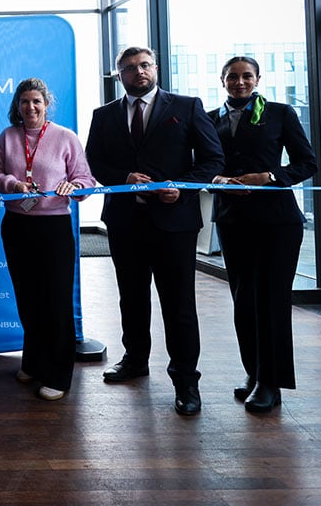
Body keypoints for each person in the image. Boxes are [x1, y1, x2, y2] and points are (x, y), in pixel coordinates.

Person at [85, 46, 224, 416]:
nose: (139, 72)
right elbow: (94, 161)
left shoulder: (187, 107)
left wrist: (182, 187)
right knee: (131, 298)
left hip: (174, 223)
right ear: (120, 75)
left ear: (156, 68)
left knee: (179, 304)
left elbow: (213, 159)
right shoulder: (104, 115)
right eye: (130, 67)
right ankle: (134, 360)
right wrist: (124, 177)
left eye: (144, 65)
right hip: (125, 222)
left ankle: (186, 381)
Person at [209, 56, 317, 414]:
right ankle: (254, 372)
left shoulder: (280, 113)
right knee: (243, 300)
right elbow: (204, 166)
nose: (239, 82)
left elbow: (307, 163)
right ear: (222, 80)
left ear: (257, 79)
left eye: (246, 76)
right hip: (232, 219)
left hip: (276, 222)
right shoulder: (209, 119)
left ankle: (272, 382)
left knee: (271, 301)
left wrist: (270, 177)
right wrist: (218, 179)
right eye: (232, 77)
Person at [0, 77, 95, 402]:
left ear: (46, 104)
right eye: (24, 102)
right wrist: (12, 184)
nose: (30, 107)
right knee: (28, 298)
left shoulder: (65, 137)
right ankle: (33, 362)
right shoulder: (8, 137)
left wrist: (74, 187)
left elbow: (85, 180)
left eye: (36, 101)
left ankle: (58, 375)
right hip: (17, 225)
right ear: (17, 106)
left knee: (56, 301)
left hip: (54, 228)